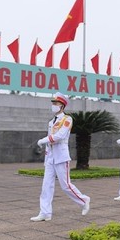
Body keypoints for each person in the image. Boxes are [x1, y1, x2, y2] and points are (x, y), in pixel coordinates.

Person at [31, 92, 91, 222]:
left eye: (56, 103)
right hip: (51, 157)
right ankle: (45, 212)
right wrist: (46, 155)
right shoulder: (51, 122)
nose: (54, 105)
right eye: (53, 103)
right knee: (46, 186)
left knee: (66, 185)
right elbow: (51, 141)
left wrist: (43, 140)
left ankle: (84, 200)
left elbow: (59, 136)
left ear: (62, 106)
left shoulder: (67, 119)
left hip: (61, 156)